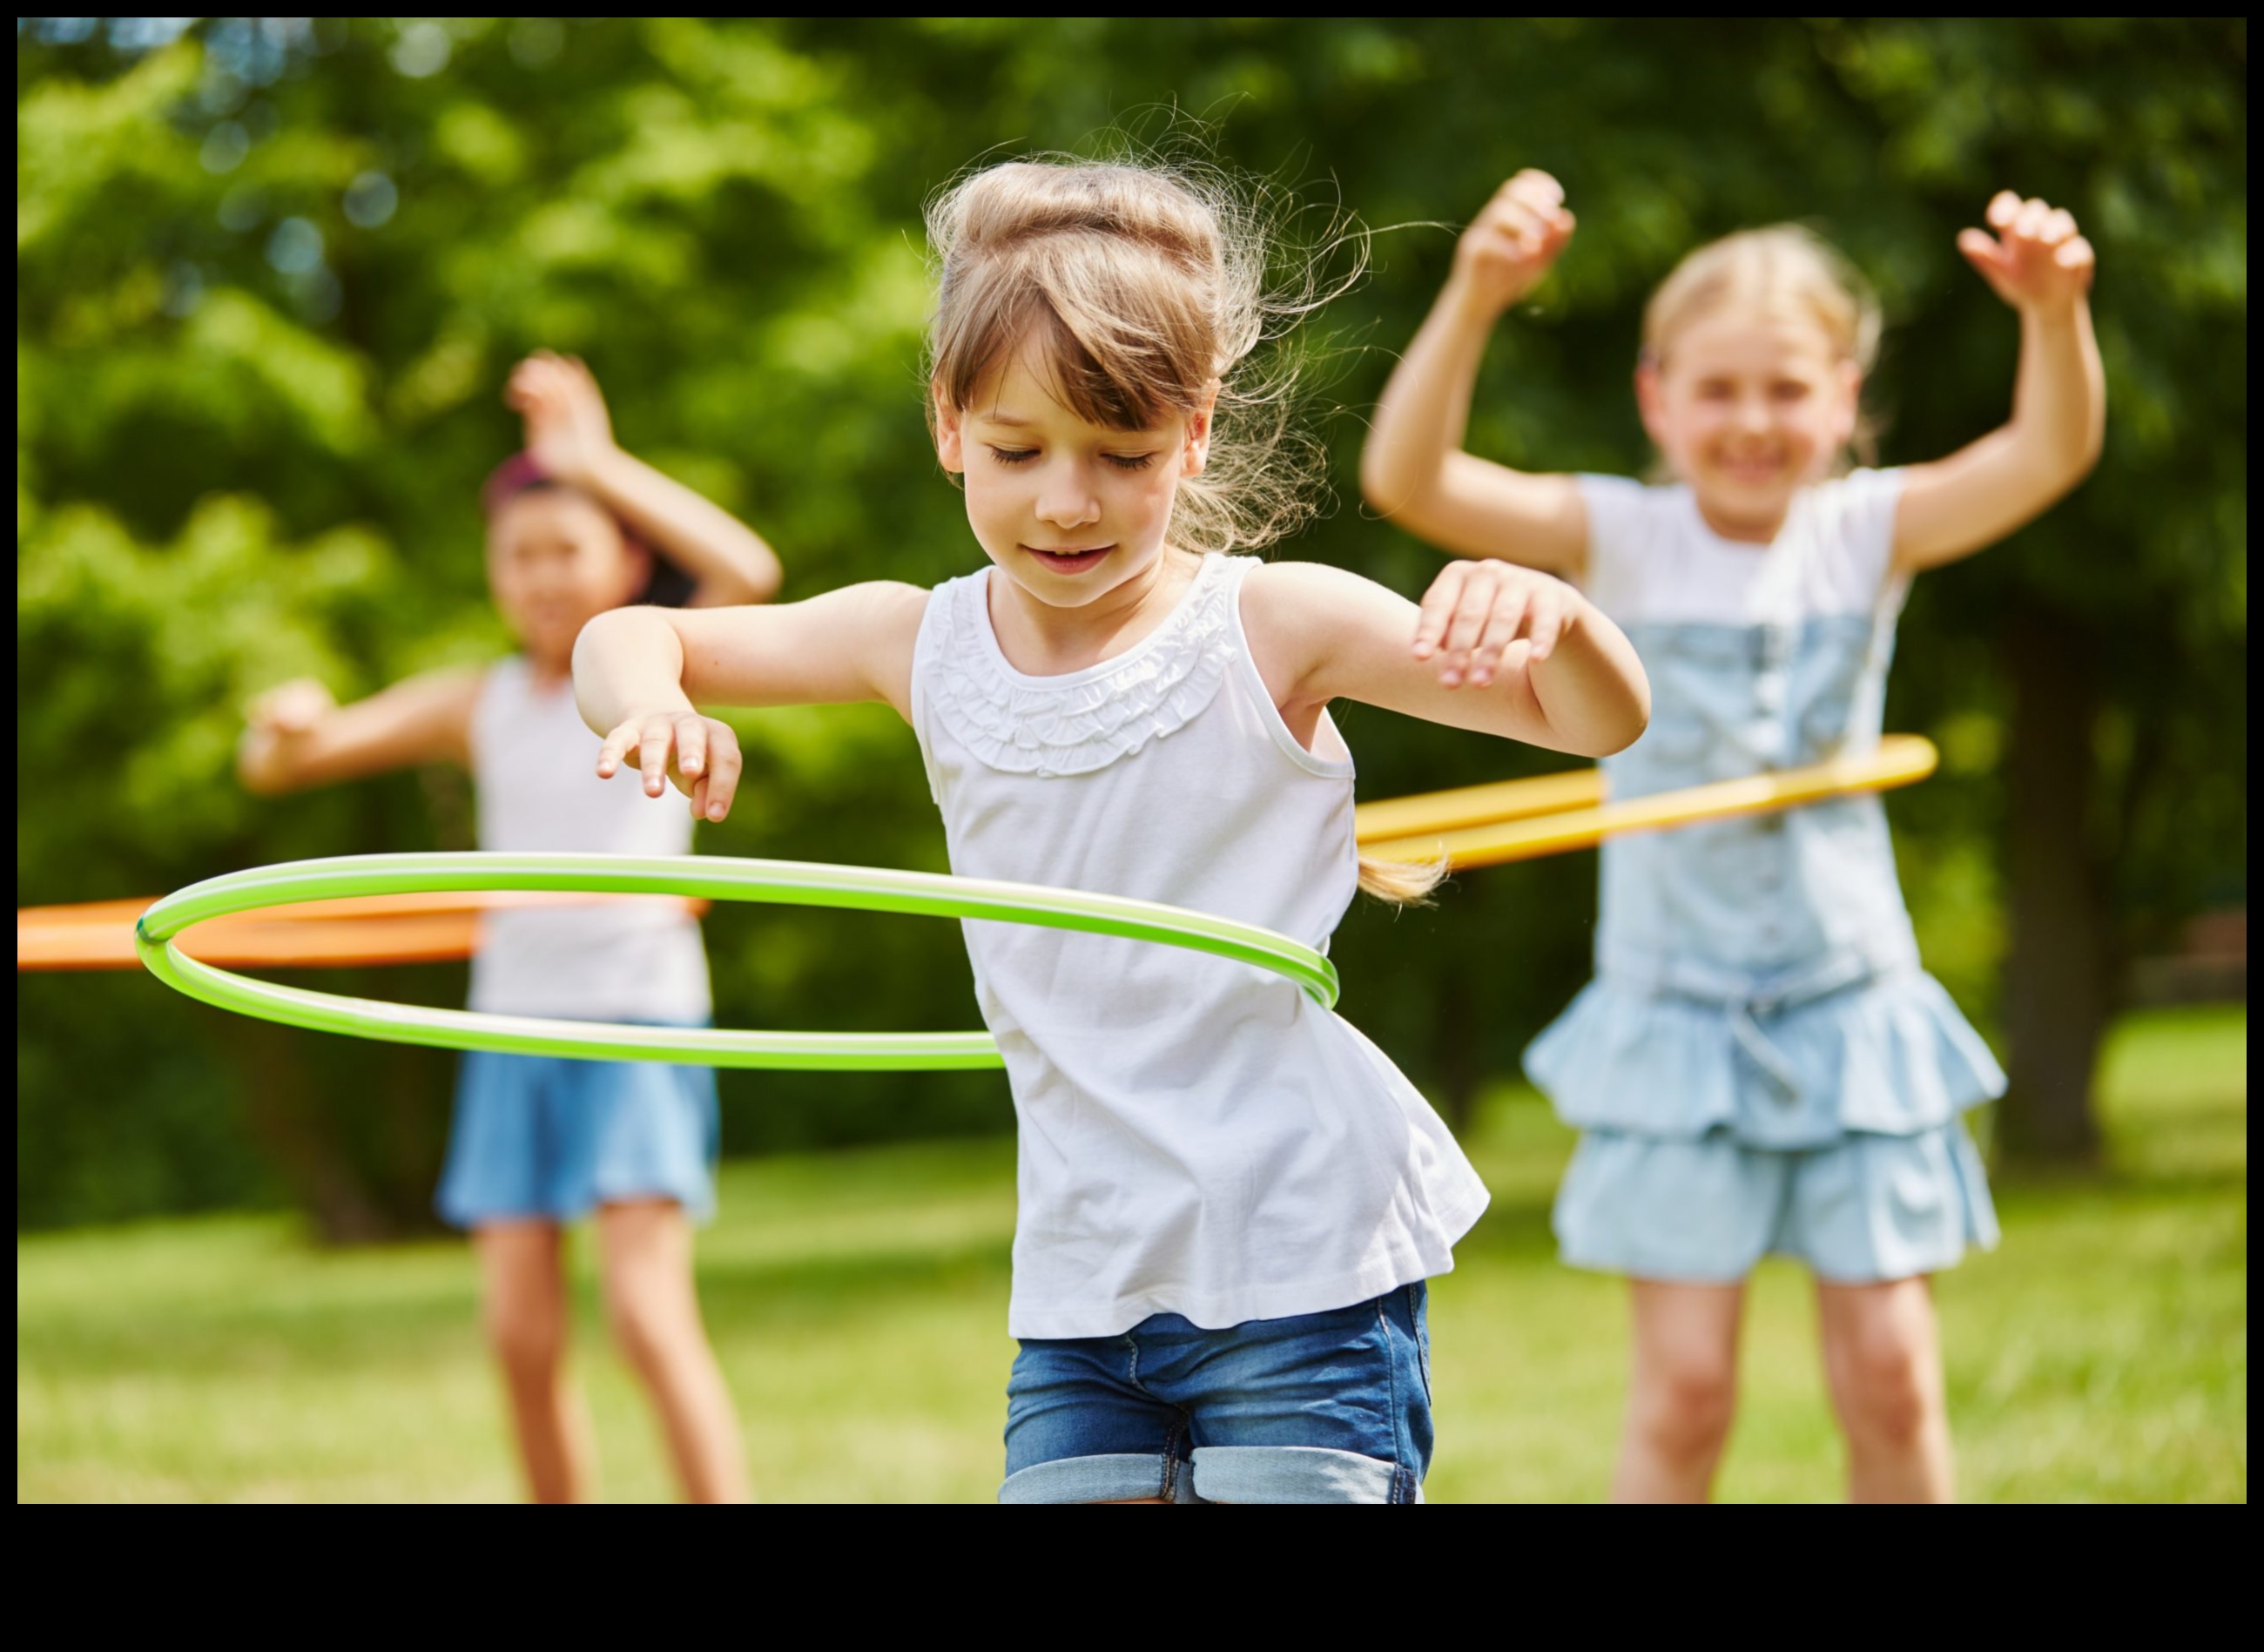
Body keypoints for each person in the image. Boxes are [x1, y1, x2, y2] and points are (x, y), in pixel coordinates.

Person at [569, 154, 1651, 1503]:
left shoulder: (1275, 625)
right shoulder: (917, 641)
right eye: (1019, 450)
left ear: (1194, 434)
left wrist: (1560, 613)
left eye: (1122, 455)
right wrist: (654, 702)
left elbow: (1592, 721)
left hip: (1297, 1262)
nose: (1066, 500)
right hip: (1084, 1288)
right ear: (949, 422)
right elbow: (625, 631)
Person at [1362, 172, 2103, 1502]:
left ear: (1841, 403)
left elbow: (2047, 454)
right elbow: (1408, 478)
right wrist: (1477, 294)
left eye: (1785, 389)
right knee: (1688, 1387)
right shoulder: (1618, 535)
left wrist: (2055, 316)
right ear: (1657, 398)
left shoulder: (1864, 530)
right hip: (1675, 1017)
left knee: (1891, 1371)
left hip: (1848, 1004)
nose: (1752, 421)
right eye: (1716, 390)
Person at [239, 352, 781, 1502]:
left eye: (567, 549)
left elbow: (748, 566)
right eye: (519, 556)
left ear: (627, 561)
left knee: (645, 1317)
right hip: (514, 1029)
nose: (541, 577)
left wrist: (596, 460)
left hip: (639, 1021)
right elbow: (287, 762)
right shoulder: (475, 703)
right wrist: (284, 725)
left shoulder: (660, 666)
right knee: (520, 1337)